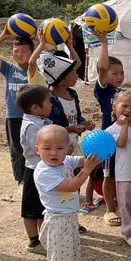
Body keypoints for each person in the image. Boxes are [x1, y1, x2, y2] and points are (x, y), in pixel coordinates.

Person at [33, 125, 100, 261]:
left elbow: (83, 160)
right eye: (47, 148)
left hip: (66, 220)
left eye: (60, 148)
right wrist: (87, 170)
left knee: (62, 257)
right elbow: (71, 186)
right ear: (37, 149)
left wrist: (97, 153)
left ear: (68, 149)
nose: (54, 153)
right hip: (57, 222)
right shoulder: (44, 172)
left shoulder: (65, 161)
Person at [40, 51, 96, 213]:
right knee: (62, 180)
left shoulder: (72, 94)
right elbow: (49, 128)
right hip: (58, 149)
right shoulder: (49, 98)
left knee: (74, 176)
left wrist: (84, 123)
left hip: (73, 144)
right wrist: (71, 129)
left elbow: (76, 116)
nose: (76, 75)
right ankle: (61, 211)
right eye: (72, 73)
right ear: (61, 79)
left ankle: (73, 209)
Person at [106, 91, 131, 248]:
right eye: (124, 106)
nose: (128, 110)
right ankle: (129, 232)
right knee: (127, 204)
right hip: (125, 174)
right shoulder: (111, 130)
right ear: (114, 107)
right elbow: (121, 144)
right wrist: (124, 126)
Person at [0, 28, 33, 186]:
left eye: (24, 51)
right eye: (16, 51)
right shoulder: (9, 69)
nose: (19, 54)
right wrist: (3, 36)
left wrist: (41, 42)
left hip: (32, 116)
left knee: (32, 149)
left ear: (32, 52)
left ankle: (33, 179)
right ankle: (21, 181)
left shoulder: (35, 68)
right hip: (13, 117)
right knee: (16, 150)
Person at [17, 85, 53, 254]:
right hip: (34, 171)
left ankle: (43, 238)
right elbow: (38, 149)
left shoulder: (41, 121)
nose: (51, 104)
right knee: (31, 209)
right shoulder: (32, 126)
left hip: (44, 170)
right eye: (48, 101)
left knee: (42, 207)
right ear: (35, 108)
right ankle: (33, 241)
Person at [95, 31, 123, 227]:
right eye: (115, 73)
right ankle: (110, 209)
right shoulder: (104, 91)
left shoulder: (122, 92)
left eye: (121, 73)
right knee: (109, 174)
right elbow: (102, 68)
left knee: (122, 174)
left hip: (124, 138)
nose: (119, 76)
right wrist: (104, 43)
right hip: (108, 140)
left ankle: (121, 203)